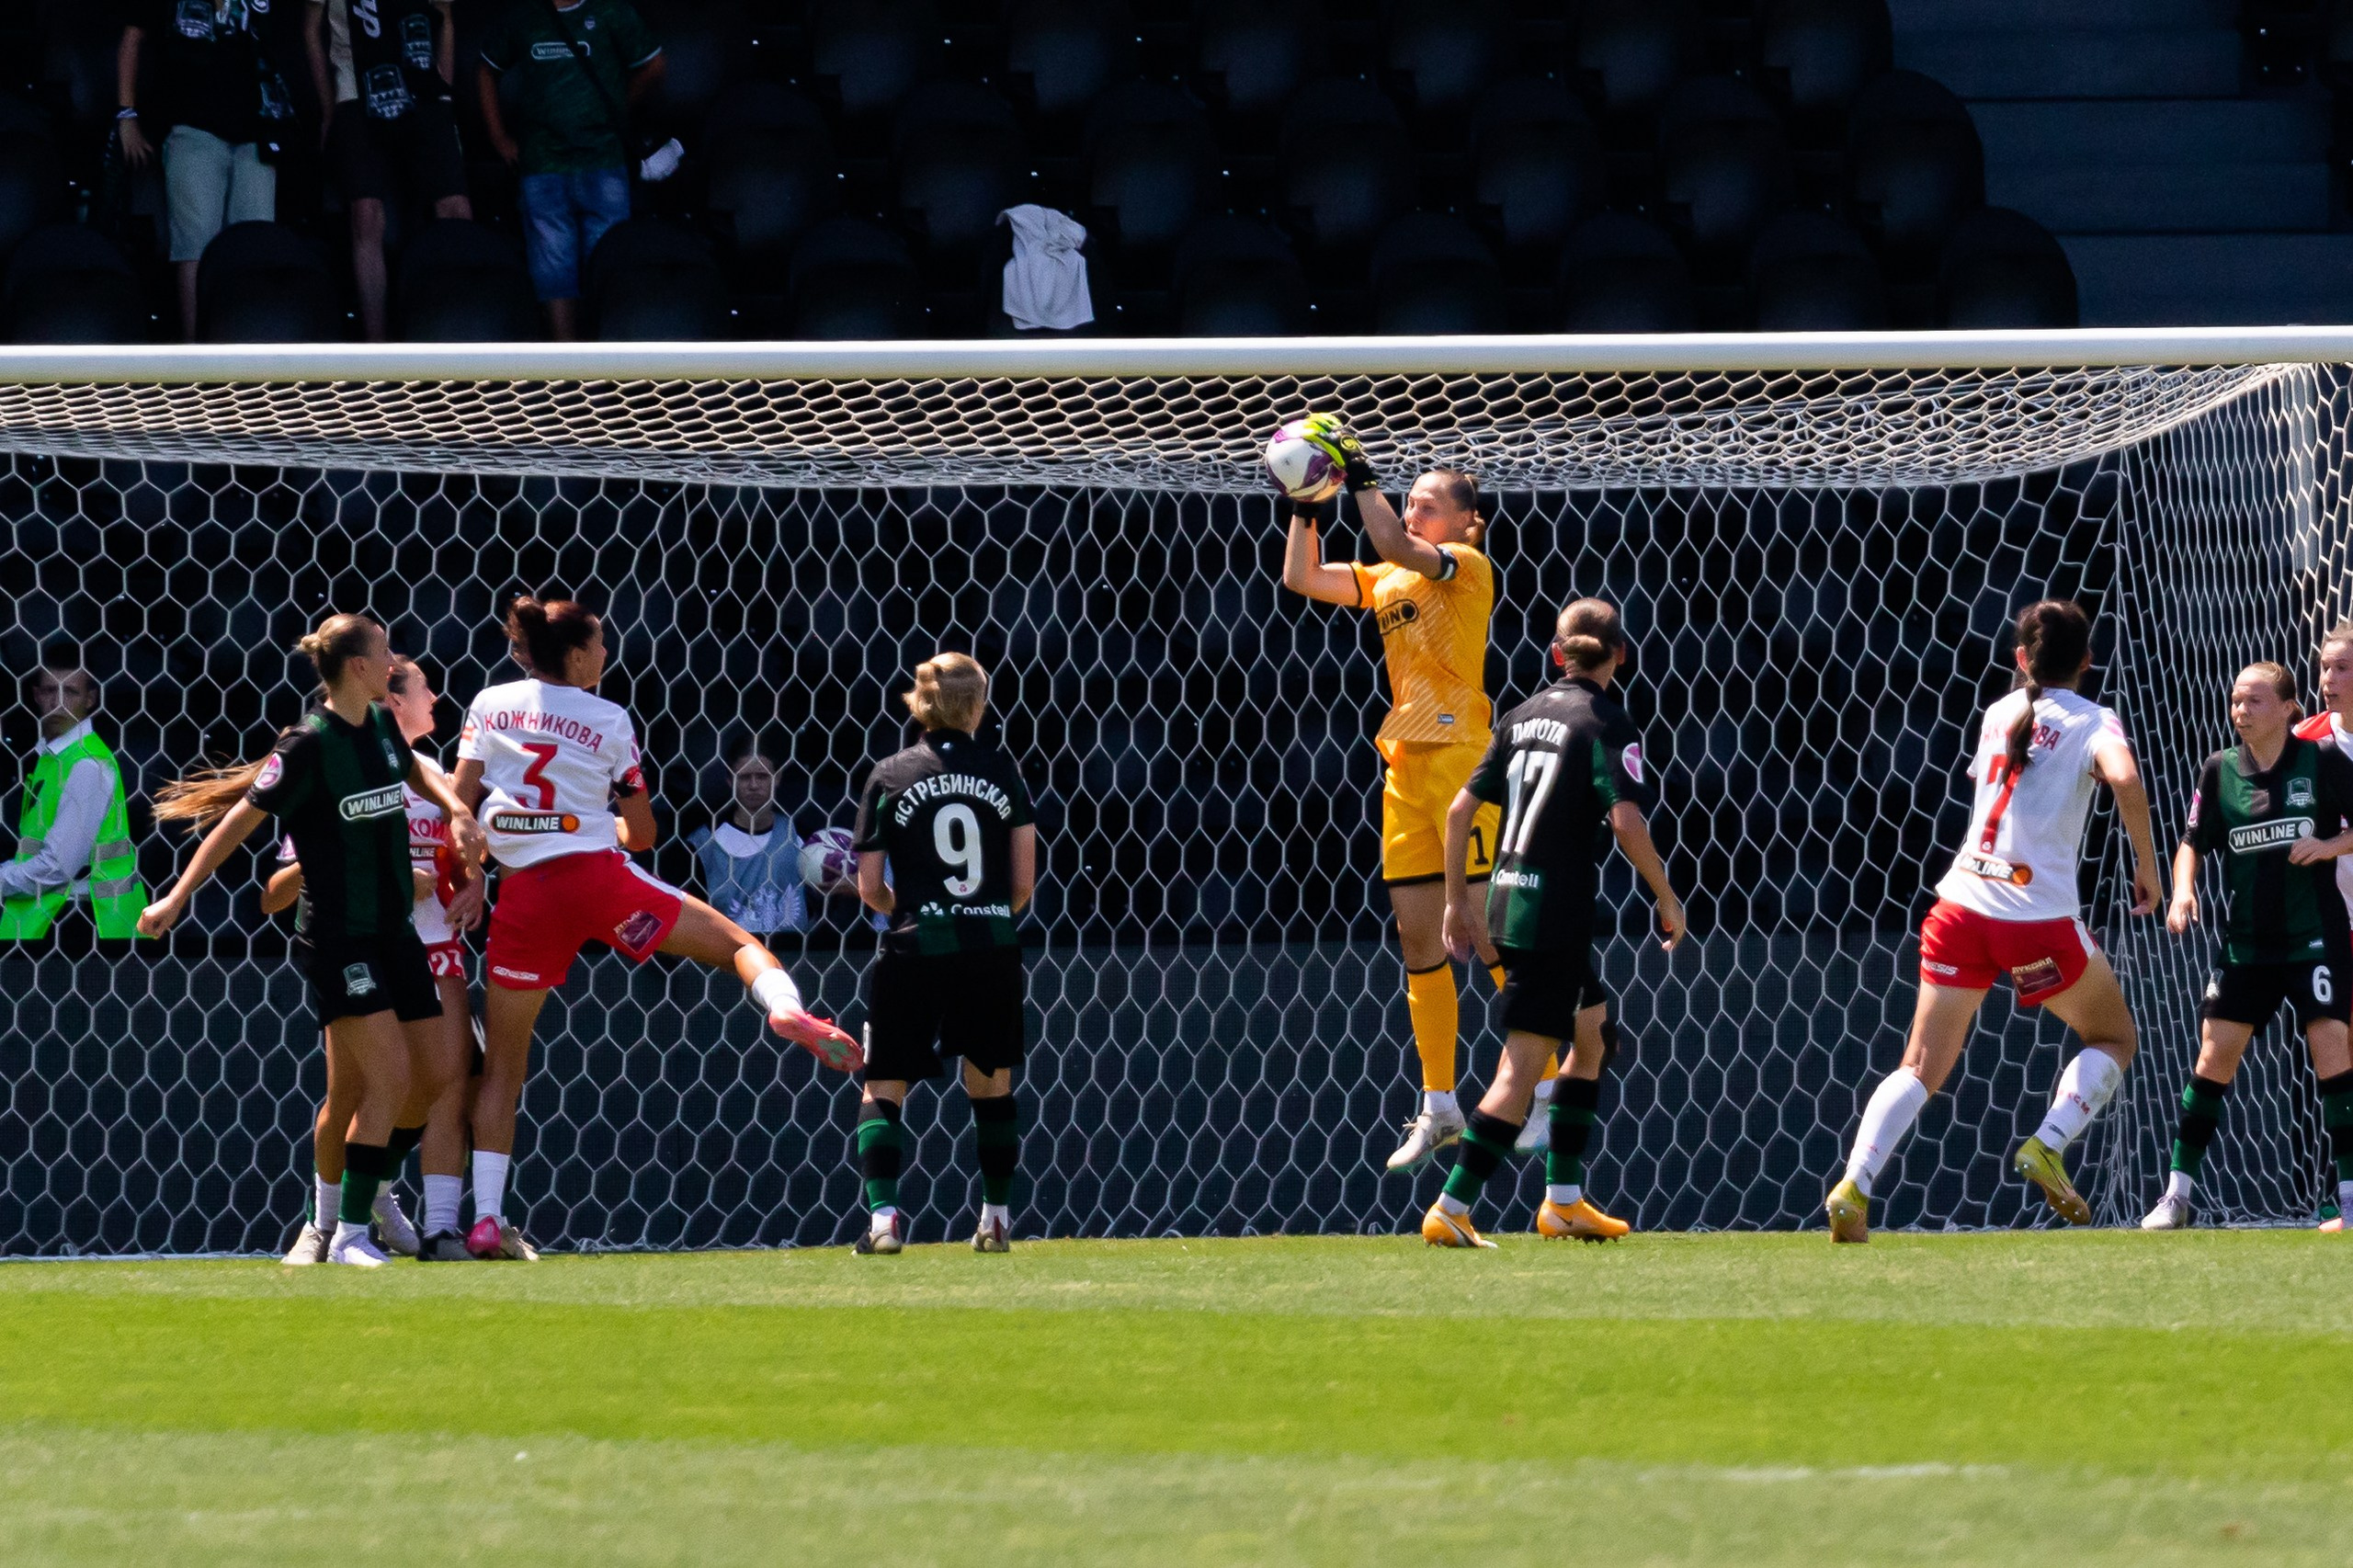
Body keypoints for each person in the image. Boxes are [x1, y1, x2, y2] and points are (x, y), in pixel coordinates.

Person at [452, 595, 858, 1261]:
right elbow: (642, 836)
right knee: (738, 947)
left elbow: (460, 807)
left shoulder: (490, 704)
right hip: (600, 884)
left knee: (503, 1069)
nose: (608, 655)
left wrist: (474, 869)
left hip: (523, 898)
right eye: (602, 645)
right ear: (578, 655)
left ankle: (489, 1219)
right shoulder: (609, 718)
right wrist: (594, 826)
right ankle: (787, 1011)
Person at [139, 614, 487, 1268]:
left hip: (394, 932)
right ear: (358, 666)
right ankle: (345, 1233)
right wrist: (178, 895)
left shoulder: (381, 725)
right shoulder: (307, 747)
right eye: (384, 652)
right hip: (338, 938)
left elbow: (418, 773)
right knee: (385, 1079)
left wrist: (457, 809)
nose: (393, 662)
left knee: (435, 1076)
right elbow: (238, 824)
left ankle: (372, 1193)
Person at [1827, 600, 2163, 1243]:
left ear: (2019, 659)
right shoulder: (2096, 721)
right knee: (2114, 1037)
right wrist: (2145, 863)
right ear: (2089, 662)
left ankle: (1855, 1185)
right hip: (2032, 922)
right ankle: (2048, 1143)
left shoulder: (1999, 713)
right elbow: (2124, 778)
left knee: (1921, 1065)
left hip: (1959, 908)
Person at [1276, 420, 1541, 1176]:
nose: (1416, 512)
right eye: (1413, 501)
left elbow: (1394, 544)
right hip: (1404, 767)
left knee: (1489, 934)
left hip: (1462, 762)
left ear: (1465, 521)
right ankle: (1440, 1104)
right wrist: (1305, 501)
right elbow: (1304, 578)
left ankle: (1548, 1086)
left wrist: (1357, 472)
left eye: (1429, 504)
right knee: (1421, 945)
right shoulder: (1392, 578)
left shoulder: (1462, 565)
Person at [1426, 599, 1685, 1247]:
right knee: (1520, 1072)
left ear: (1556, 654)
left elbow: (1460, 812)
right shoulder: (1606, 723)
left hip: (1509, 900)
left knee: (1594, 1039)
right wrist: (1667, 895)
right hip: (1553, 918)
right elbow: (1625, 822)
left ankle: (1562, 1204)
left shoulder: (1522, 716)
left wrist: (1458, 902)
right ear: (1622, 654)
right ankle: (1451, 1209)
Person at [263, 655, 485, 1263]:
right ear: (392, 702)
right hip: (356, 947)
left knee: (436, 1082)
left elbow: (460, 863)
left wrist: (474, 883)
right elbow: (275, 893)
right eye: (424, 687)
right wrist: (355, 865)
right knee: (352, 1094)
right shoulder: (335, 769)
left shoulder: (434, 778)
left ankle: (377, 1194)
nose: (437, 697)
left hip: (430, 949)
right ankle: (324, 1223)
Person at [2149, 662, 2353, 1231]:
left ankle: (2350, 1194)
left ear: (2289, 709)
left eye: (2255, 701)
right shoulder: (2219, 770)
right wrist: (2183, 891)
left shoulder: (2322, 761)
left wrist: (2329, 845)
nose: (2241, 711)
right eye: (2236, 701)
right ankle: (2176, 1195)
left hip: (2313, 935)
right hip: (2246, 945)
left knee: (2333, 1048)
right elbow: (2191, 841)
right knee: (2213, 1057)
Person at [848, 653, 1037, 1255]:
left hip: (914, 947)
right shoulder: (1003, 770)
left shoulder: (890, 773)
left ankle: (883, 1224)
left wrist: (917, 906)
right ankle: (997, 1218)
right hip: (989, 949)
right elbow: (1024, 883)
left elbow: (868, 887)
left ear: (918, 703)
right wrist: (982, 914)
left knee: (884, 1083)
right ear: (978, 706)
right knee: (991, 1083)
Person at [476, 0, 665, 339]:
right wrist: (498, 137)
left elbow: (654, 65)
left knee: (608, 266)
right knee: (552, 271)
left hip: (603, 160)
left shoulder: (611, 10)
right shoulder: (523, 13)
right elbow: (486, 69)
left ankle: (605, 364)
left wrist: (617, 107)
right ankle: (568, 370)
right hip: (542, 163)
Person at [304, 0, 471, 341]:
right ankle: (375, 347)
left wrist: (445, 95)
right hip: (355, 86)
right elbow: (310, 29)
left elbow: (446, 20)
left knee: (455, 208)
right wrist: (327, 109)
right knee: (365, 214)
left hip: (422, 85)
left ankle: (464, 327)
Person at [116, 0, 283, 339]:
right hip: (192, 129)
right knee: (196, 247)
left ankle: (249, 350)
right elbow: (132, 38)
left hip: (257, 133)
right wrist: (126, 117)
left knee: (254, 248)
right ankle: (197, 356)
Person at [0, 657, 149, 945]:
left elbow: (57, 867)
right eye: (48, 691)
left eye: (70, 692)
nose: (57, 703)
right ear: (34, 695)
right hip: (56, 917)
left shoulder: (87, 765)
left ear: (91, 699)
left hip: (83, 923)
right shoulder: (51, 758)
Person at [687, 743, 807, 937]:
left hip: (792, 954)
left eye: (762, 776)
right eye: (744, 777)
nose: (753, 785)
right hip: (730, 956)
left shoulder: (797, 834)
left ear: (777, 778)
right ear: (729, 780)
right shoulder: (703, 843)